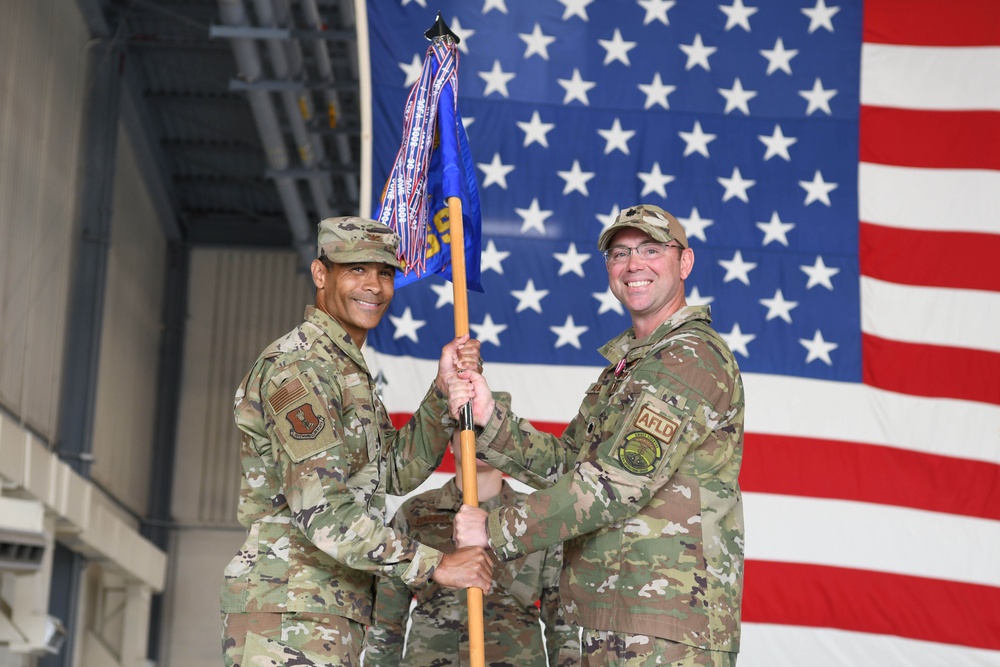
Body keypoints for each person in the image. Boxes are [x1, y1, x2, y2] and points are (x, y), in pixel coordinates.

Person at [450, 204, 745, 666]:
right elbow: (571, 465)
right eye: (620, 253)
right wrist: (491, 419)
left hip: (664, 623)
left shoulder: (689, 359)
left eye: (651, 249)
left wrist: (496, 529)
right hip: (613, 614)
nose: (634, 265)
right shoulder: (629, 368)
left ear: (684, 262)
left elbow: (615, 483)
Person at [220, 216, 493, 667]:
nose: (374, 286)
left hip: (327, 607)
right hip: (290, 611)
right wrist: (436, 565)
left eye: (385, 272)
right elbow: (323, 510)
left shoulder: (345, 369)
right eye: (356, 269)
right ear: (321, 274)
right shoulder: (301, 367)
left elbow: (393, 470)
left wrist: (441, 391)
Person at [364, 418, 582, 667]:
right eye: (466, 428)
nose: (475, 437)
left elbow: (562, 625)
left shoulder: (537, 517)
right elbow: (386, 621)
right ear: (451, 443)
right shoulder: (413, 514)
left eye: (486, 428)